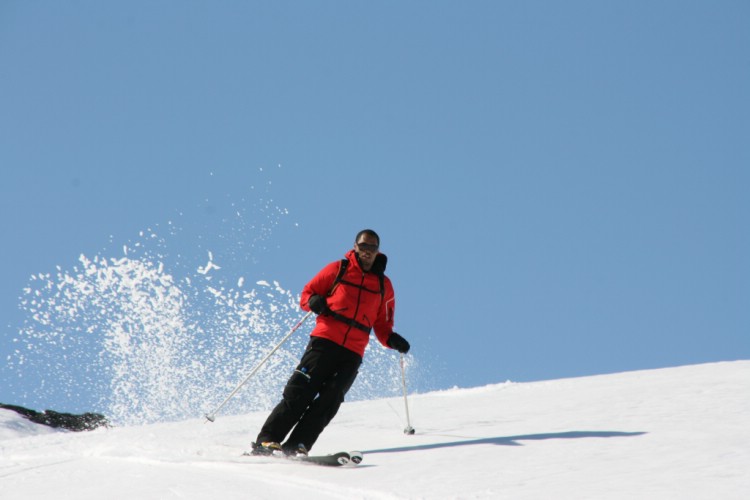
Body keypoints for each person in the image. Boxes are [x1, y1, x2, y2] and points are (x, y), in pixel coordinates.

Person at [251, 229, 410, 456]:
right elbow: (307, 294)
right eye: (363, 246)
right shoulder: (338, 269)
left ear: (378, 251)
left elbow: (383, 324)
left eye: (372, 248)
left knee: (330, 399)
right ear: (355, 246)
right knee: (301, 391)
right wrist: (314, 301)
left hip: (353, 352)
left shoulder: (384, 285)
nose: (367, 252)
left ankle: (297, 445)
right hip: (324, 341)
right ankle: (267, 440)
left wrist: (391, 339)